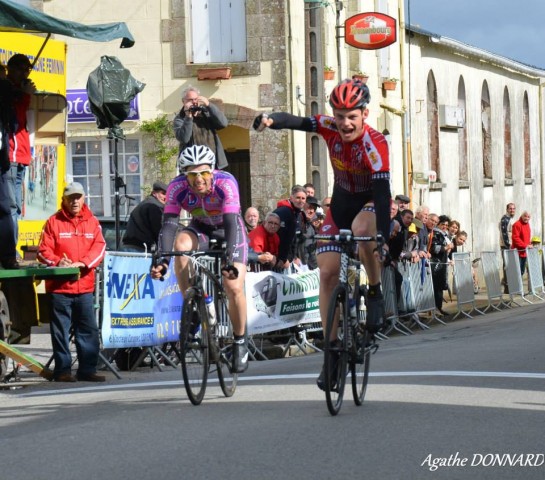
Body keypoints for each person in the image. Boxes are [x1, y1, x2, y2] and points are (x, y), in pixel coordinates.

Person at [254, 78, 391, 391]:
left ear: (365, 114)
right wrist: (271, 120)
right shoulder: (329, 126)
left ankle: (375, 290)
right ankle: (331, 356)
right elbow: (300, 121)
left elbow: (383, 196)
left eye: (351, 116)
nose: (344, 123)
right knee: (327, 274)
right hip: (342, 201)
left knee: (361, 232)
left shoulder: (376, 143)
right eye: (340, 115)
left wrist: (381, 236)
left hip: (370, 201)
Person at [151, 145, 249, 373]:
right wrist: (162, 261)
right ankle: (192, 304)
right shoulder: (177, 186)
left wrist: (231, 260)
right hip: (201, 228)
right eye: (192, 174)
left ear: (212, 171)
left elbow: (233, 223)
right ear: (185, 175)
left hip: (228, 230)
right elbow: (169, 225)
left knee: (233, 286)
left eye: (204, 173)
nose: (198, 180)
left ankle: (240, 340)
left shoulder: (226, 182)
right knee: (180, 245)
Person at [37, 182, 106, 382]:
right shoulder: (53, 222)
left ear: (84, 198)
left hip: (84, 287)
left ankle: (87, 370)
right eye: (71, 198)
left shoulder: (92, 222)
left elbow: (100, 247)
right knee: (60, 332)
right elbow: (43, 251)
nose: (75, 201)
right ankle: (63, 371)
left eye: (78, 197)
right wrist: (59, 262)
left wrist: (83, 263)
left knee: (88, 331)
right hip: (59, 289)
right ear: (64, 200)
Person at [6, 54, 36, 241]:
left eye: (27, 69)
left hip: (21, 154)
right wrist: (25, 94)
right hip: (10, 154)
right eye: (22, 69)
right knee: (10, 206)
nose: (25, 73)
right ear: (11, 68)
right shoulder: (6, 88)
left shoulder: (20, 89)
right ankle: (9, 251)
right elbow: (13, 114)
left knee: (16, 205)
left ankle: (11, 249)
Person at [173, 86, 229, 169]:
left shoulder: (206, 113)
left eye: (196, 99)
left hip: (213, 161)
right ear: (183, 101)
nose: (194, 102)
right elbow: (184, 138)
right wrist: (188, 117)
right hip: (192, 165)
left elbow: (223, 123)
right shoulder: (180, 119)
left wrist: (209, 105)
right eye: (190, 100)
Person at [0, 69, 18, 269]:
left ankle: (7, 256)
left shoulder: (5, 96)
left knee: (5, 208)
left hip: (1, 163)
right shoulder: (4, 87)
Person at [121, 181, 168, 252]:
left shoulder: (145, 203)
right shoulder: (154, 206)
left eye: (167, 195)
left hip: (130, 247)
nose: (165, 197)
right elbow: (159, 231)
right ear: (154, 193)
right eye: (163, 193)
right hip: (140, 249)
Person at [272, 185, 307, 270]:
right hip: (280, 261)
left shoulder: (298, 214)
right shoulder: (284, 212)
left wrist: (295, 257)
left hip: (291, 260)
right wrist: (283, 258)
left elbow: (295, 239)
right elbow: (281, 238)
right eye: (298, 198)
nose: (300, 201)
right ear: (291, 198)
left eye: (303, 198)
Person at [429, 215, 453, 315]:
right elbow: (434, 248)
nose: (445, 226)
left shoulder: (443, 234)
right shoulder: (435, 233)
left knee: (440, 286)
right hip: (436, 264)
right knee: (435, 286)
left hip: (442, 264)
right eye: (443, 224)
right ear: (438, 224)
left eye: (447, 225)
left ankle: (439, 307)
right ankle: (435, 308)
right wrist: (447, 247)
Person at [499, 202, 516, 287]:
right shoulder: (505, 219)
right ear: (507, 209)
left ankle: (507, 283)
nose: (512, 210)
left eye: (513, 208)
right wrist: (508, 246)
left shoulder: (511, 218)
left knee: (510, 265)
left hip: (511, 246)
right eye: (510, 208)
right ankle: (507, 285)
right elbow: (504, 234)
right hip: (506, 246)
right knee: (507, 265)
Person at [511, 211, 532, 275]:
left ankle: (519, 285)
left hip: (524, 252)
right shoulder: (517, 224)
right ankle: (515, 285)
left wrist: (530, 244)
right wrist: (525, 246)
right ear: (522, 216)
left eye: (528, 217)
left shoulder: (527, 224)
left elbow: (527, 237)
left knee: (522, 271)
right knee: (517, 272)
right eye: (525, 216)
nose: (527, 218)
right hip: (518, 252)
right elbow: (515, 238)